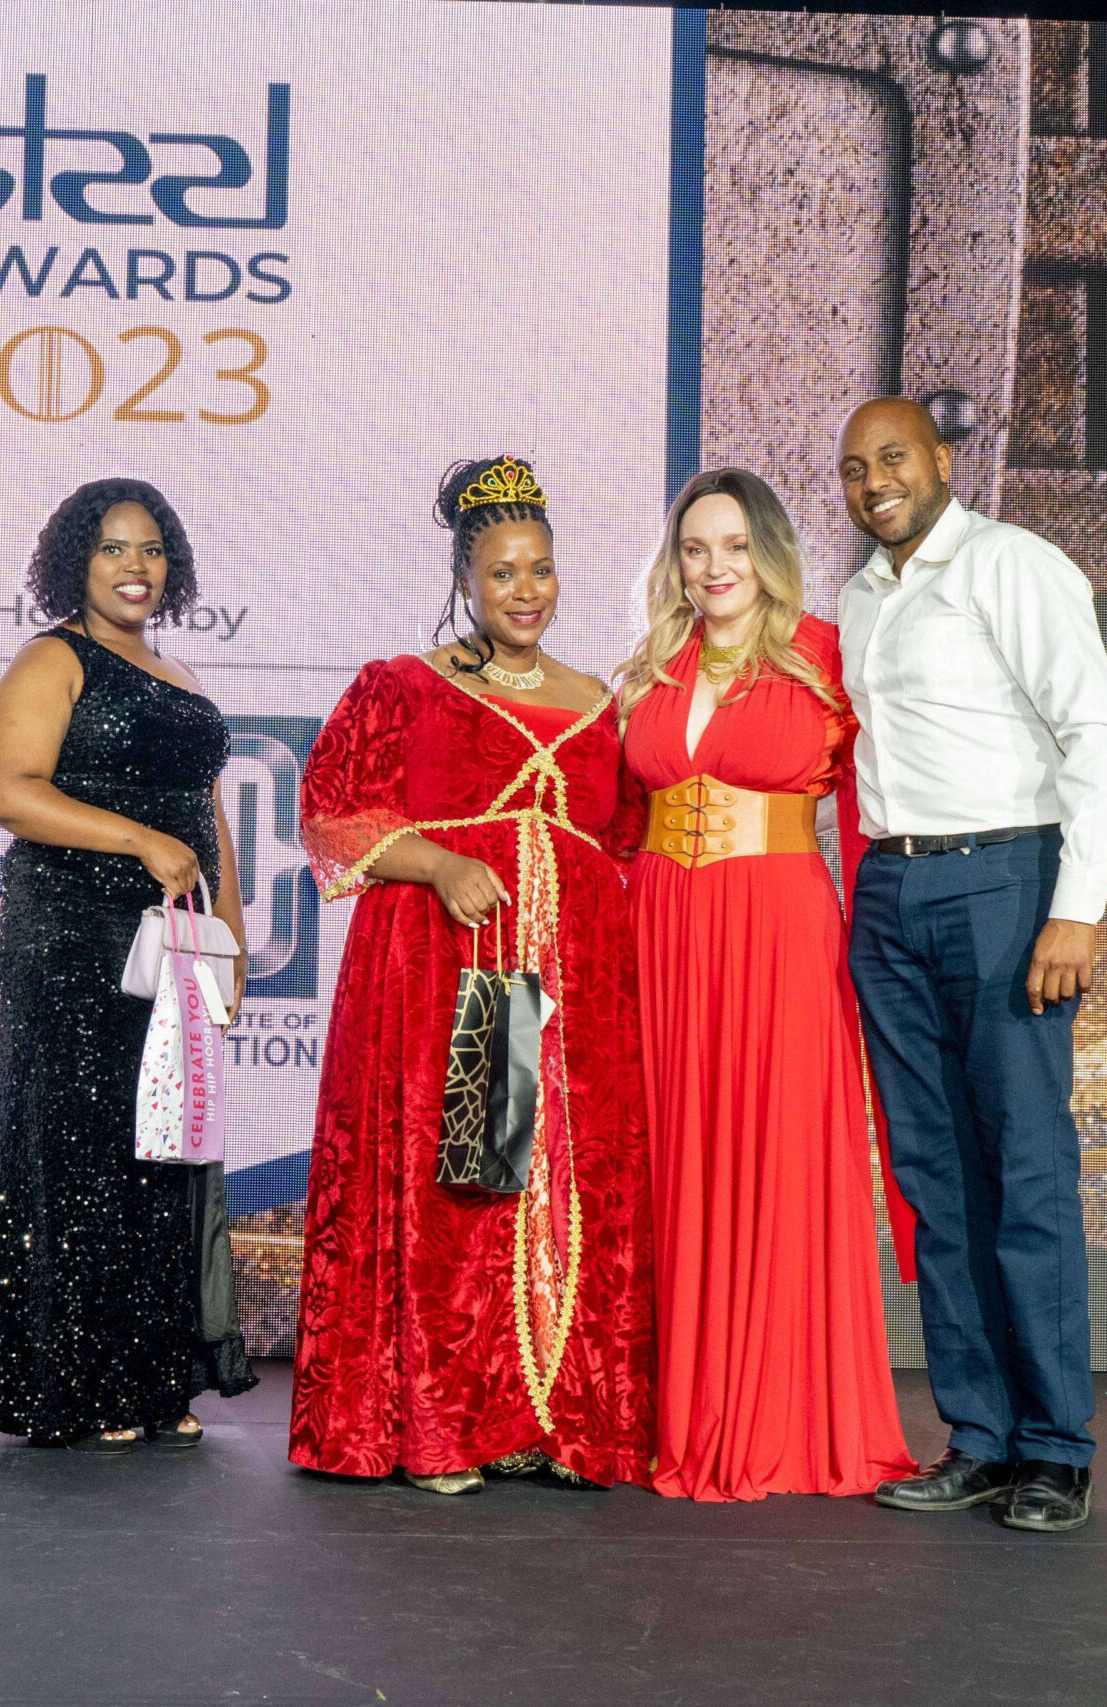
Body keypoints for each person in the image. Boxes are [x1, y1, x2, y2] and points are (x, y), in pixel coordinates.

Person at [291, 455, 654, 1495]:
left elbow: (624, 841)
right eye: (501, 572)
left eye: (540, 569)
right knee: (472, 1187)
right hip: (465, 974)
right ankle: (449, 1426)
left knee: (561, 1189)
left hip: (572, 997)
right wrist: (440, 863)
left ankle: (556, 1420)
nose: (524, 590)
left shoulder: (599, 702)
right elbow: (332, 814)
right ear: (465, 578)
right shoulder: (406, 686)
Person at [836, 397, 1107, 1534]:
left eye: (894, 457)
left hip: (1004, 881)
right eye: (855, 467)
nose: (875, 481)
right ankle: (980, 1436)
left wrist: (1077, 910)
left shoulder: (1011, 563)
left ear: (943, 460)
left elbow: (1099, 737)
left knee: (1025, 1168)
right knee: (933, 1177)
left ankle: (1055, 1448)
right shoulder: (860, 599)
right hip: (890, 889)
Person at [615, 467, 915, 1501]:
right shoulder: (649, 667)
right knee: (679, 1162)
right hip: (664, 933)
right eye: (696, 548)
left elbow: (880, 809)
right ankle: (686, 1413)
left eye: (736, 546)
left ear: (771, 552)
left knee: (776, 1155)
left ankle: (784, 1416)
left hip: (780, 931)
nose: (715, 567)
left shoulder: (828, 655)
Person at [0, 478, 257, 1450]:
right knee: (81, 1151)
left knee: (162, 1148)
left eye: (152, 548)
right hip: (74, 936)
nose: (135, 566)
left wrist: (233, 937)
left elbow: (206, 814)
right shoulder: (53, 658)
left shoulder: (178, 672)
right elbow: (6, 789)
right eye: (114, 547)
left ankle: (152, 1377)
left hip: (175, 939)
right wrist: (136, 840)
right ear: (75, 561)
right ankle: (78, 1382)